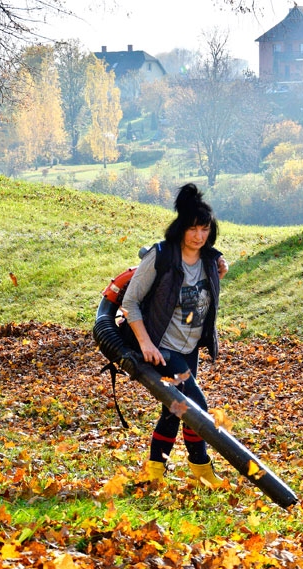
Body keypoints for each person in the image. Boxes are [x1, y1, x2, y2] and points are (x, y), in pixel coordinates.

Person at [121, 183, 229, 487]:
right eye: (193, 229)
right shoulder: (161, 256)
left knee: (174, 409)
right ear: (181, 228)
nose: (199, 236)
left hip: (189, 348)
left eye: (204, 229)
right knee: (197, 408)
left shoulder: (209, 260)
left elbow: (204, 295)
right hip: (162, 348)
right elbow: (130, 302)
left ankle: (154, 472)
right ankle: (202, 468)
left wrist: (219, 271)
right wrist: (145, 343)